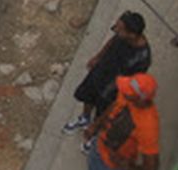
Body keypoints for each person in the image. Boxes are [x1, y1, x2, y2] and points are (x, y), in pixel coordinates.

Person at [62, 11, 150, 145]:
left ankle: (95, 133)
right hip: (100, 72)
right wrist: (98, 57)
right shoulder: (122, 36)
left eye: (119, 30)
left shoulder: (142, 59)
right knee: (88, 95)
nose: (115, 30)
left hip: (112, 89)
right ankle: (85, 118)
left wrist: (95, 125)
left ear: (132, 35)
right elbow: (112, 41)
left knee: (104, 112)